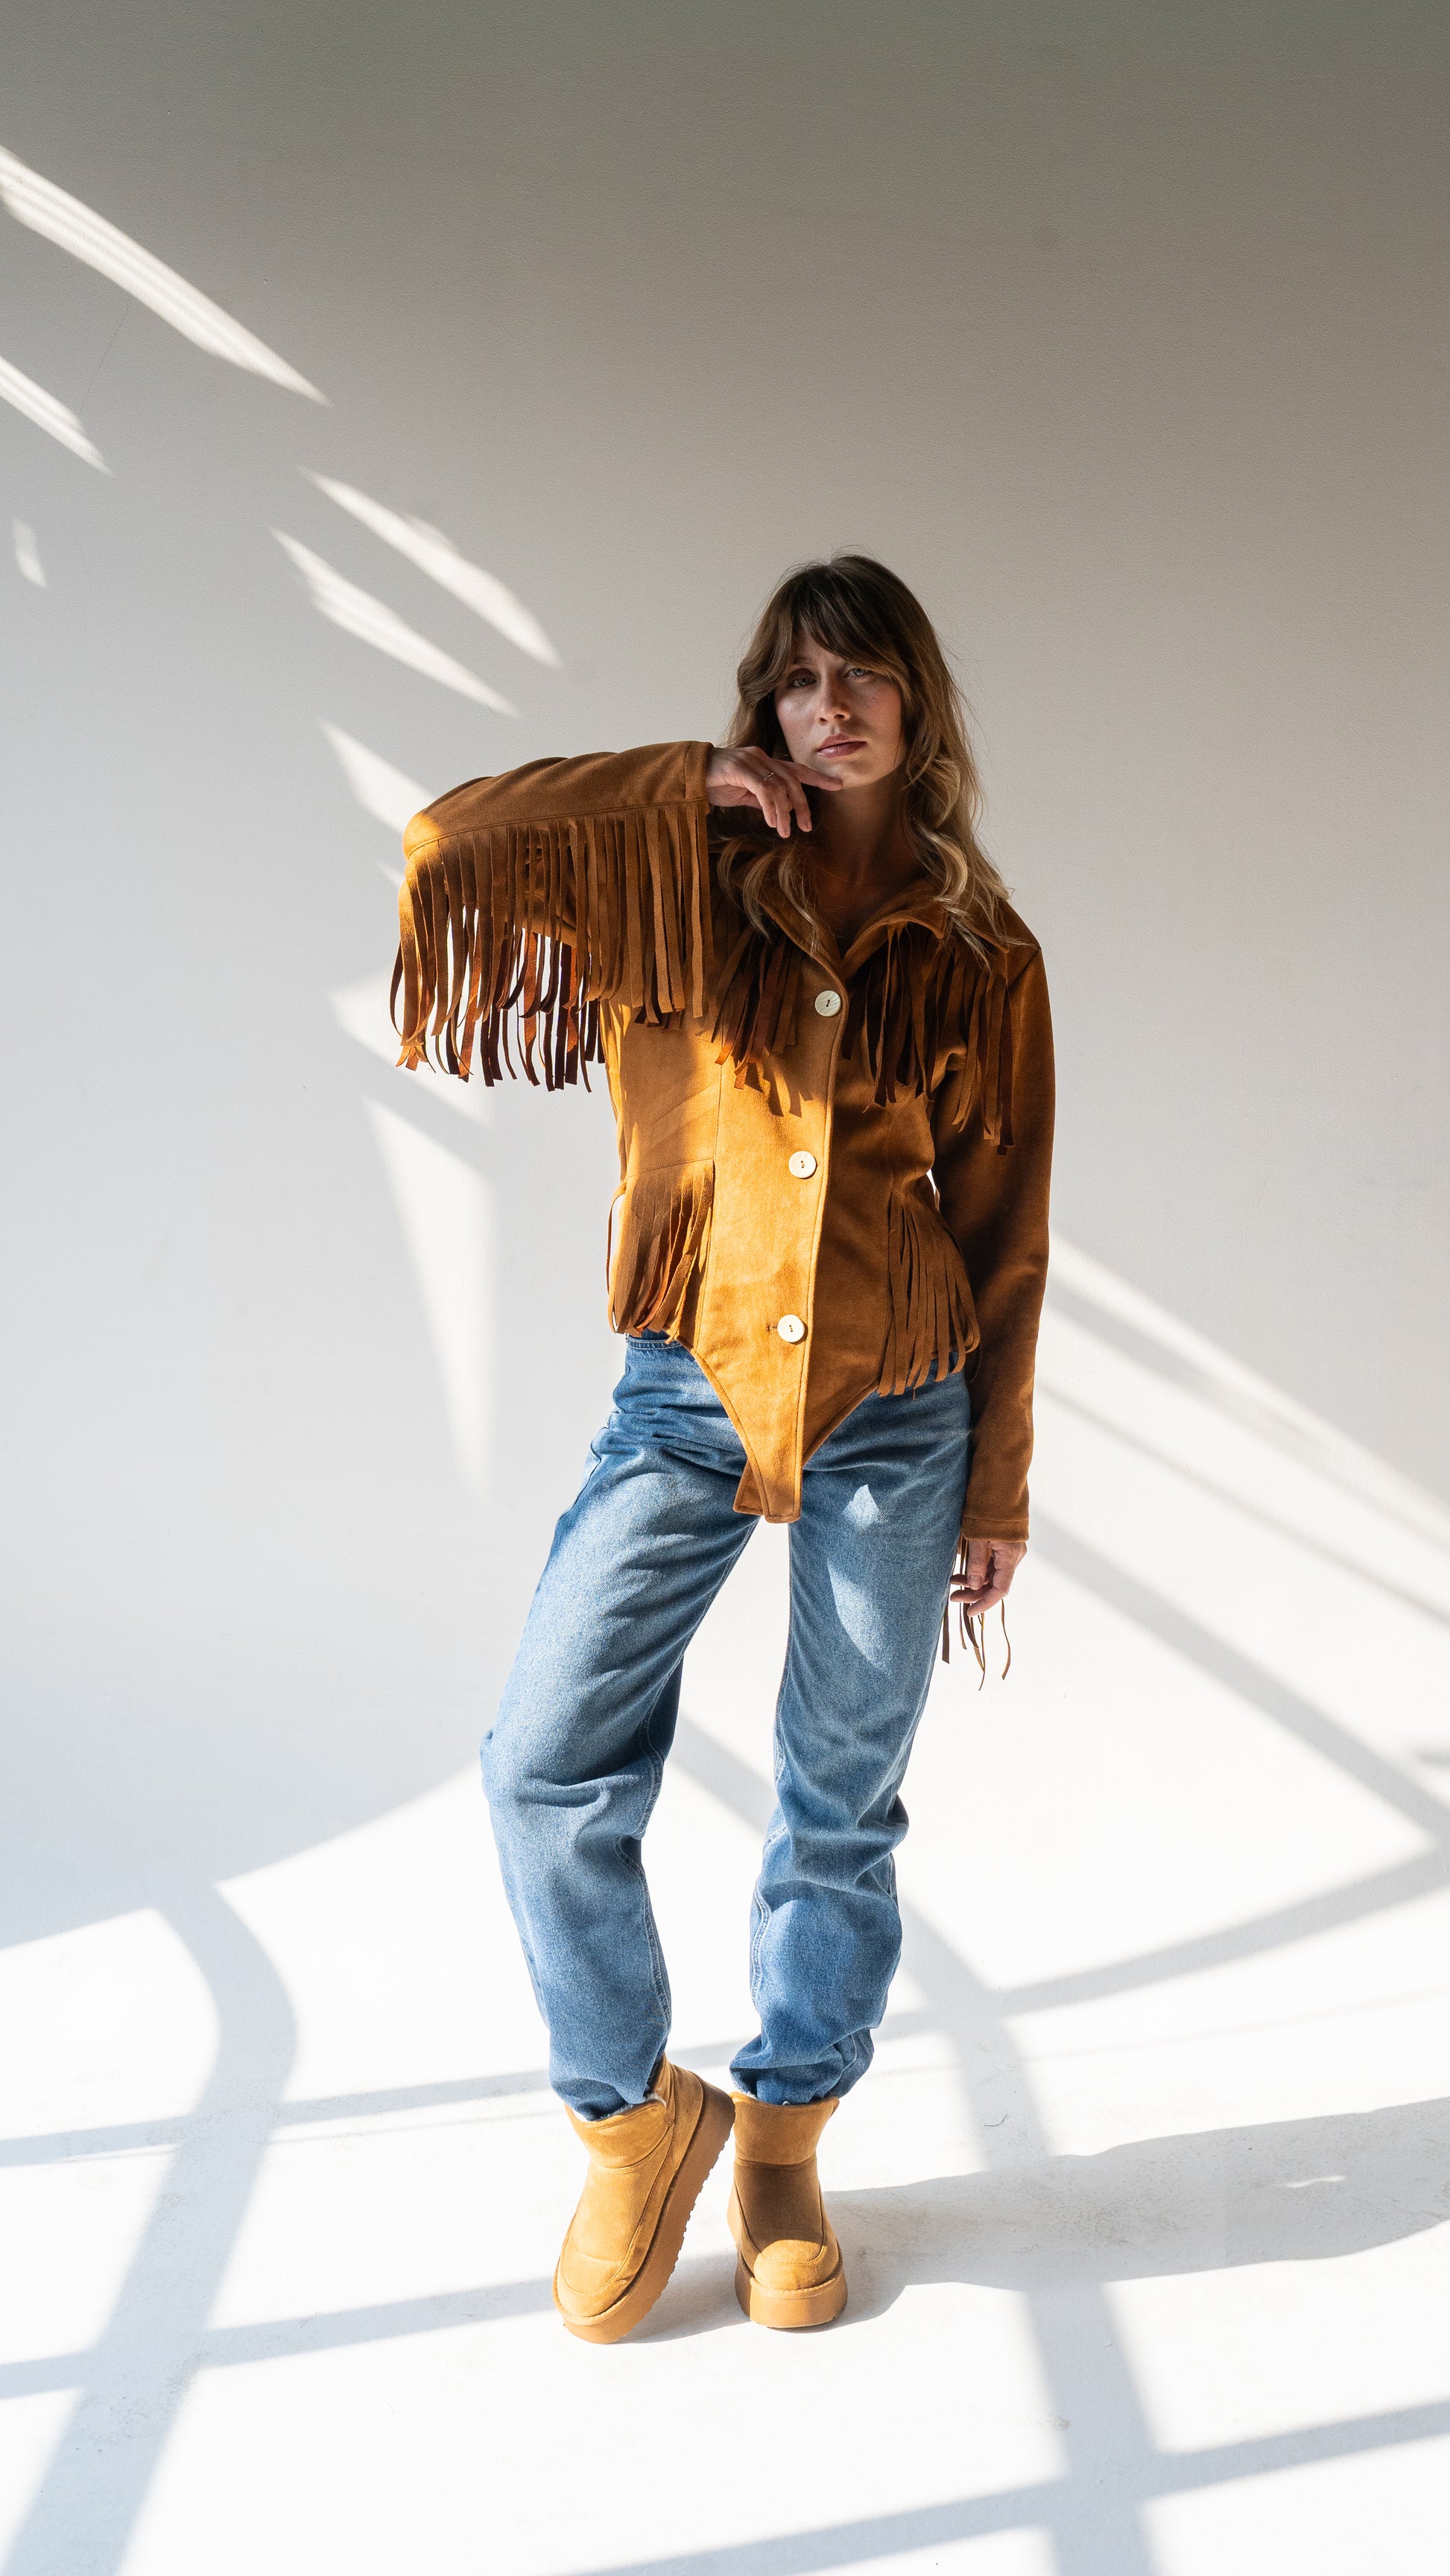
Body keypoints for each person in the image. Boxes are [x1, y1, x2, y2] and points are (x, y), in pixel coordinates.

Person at [392, 554, 1054, 2342]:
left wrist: (994, 1482)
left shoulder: (979, 948)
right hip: (682, 1391)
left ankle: (782, 2140)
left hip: (896, 1405)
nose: (830, 710)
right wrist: (672, 781)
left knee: (841, 1800)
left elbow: (1002, 1231)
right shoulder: (672, 877)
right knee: (543, 1761)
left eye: (865, 679)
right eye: (798, 681)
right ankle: (633, 2123)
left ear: (915, 709)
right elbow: (443, 845)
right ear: (761, 705)